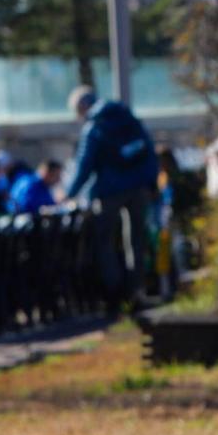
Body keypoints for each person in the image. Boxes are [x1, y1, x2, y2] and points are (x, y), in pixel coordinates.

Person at [67, 85, 160, 308]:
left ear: (82, 107)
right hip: (138, 188)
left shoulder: (94, 127)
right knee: (136, 240)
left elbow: (85, 164)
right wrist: (152, 183)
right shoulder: (127, 118)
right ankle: (137, 291)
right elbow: (148, 150)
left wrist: (70, 194)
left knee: (105, 242)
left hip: (109, 191)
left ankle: (115, 293)